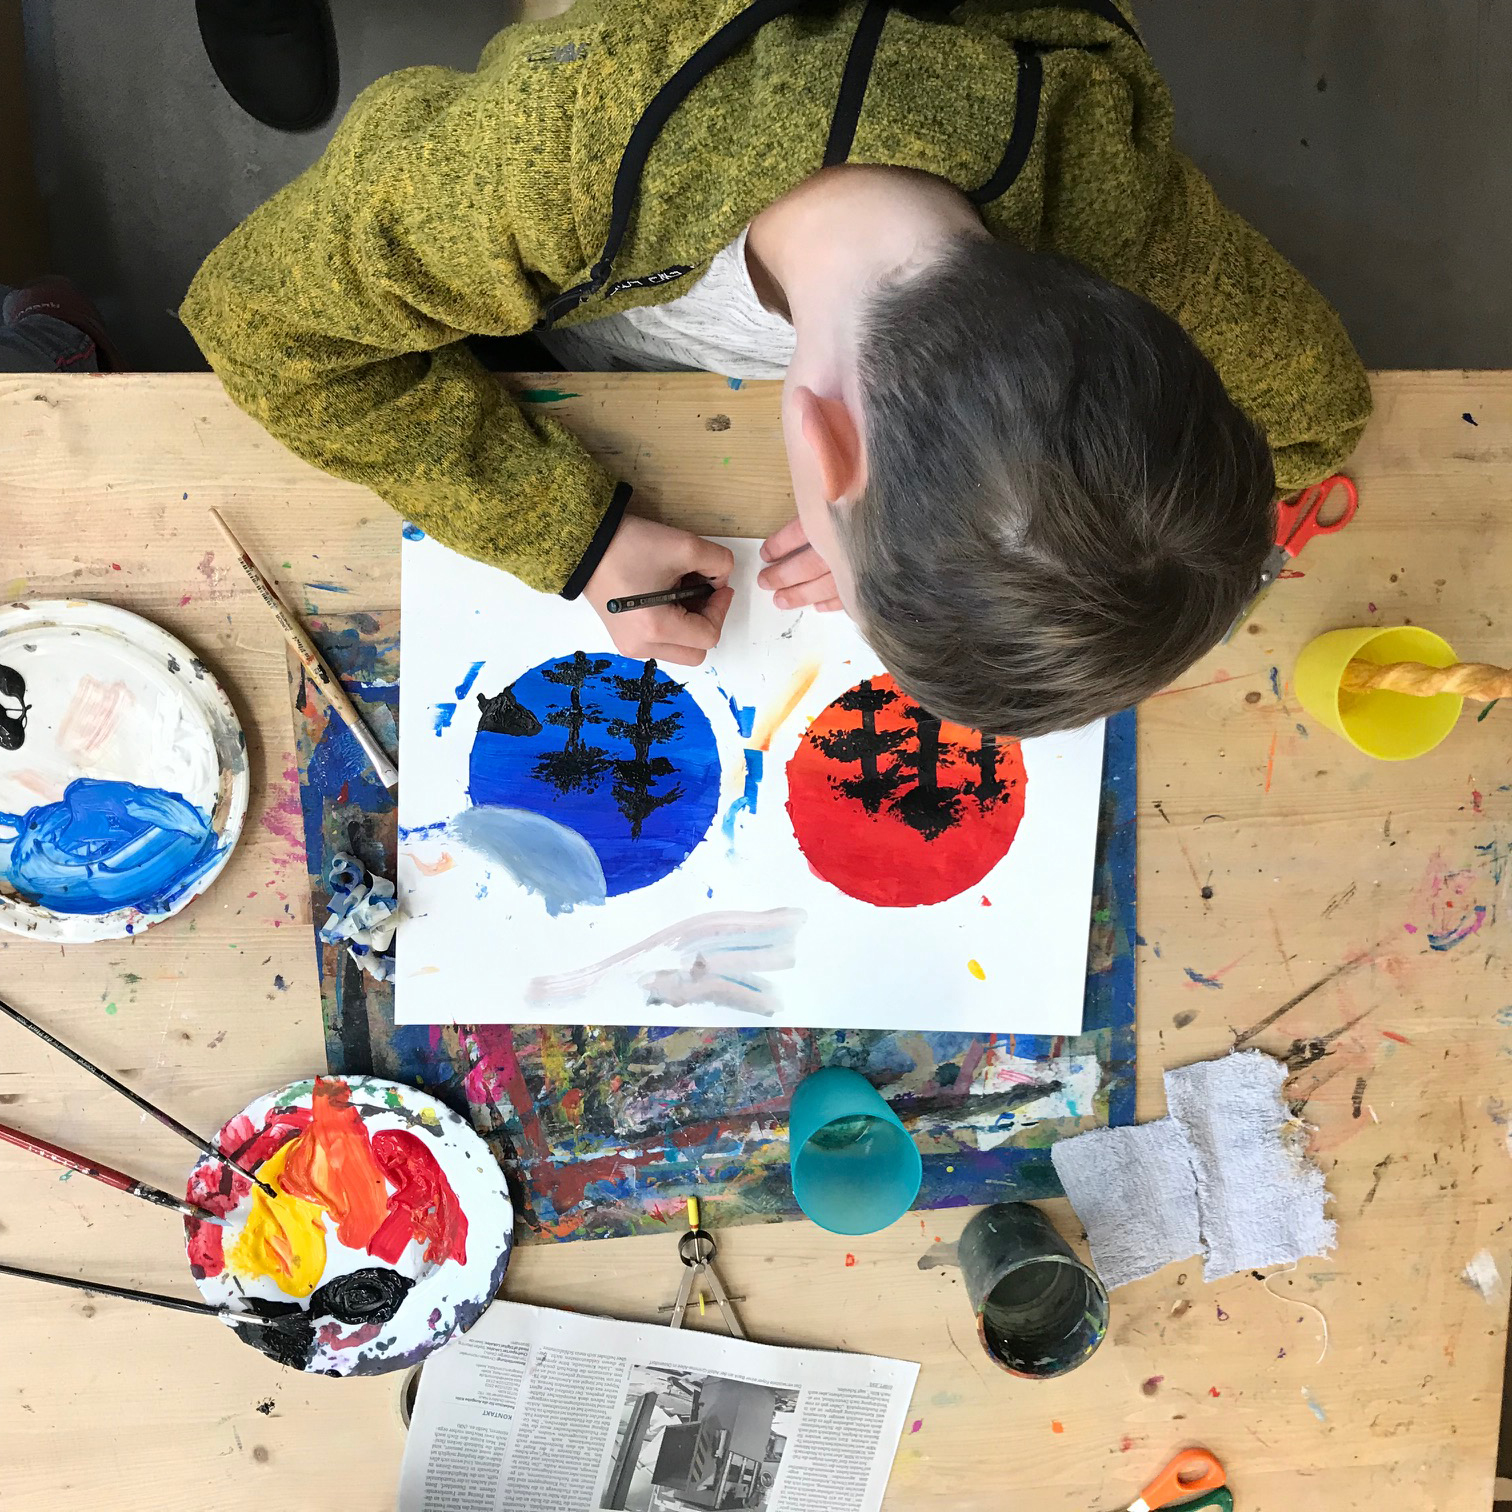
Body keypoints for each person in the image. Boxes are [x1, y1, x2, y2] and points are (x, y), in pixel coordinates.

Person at [182, 0, 1371, 738]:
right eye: (855, 592)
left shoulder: (1141, 233)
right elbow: (255, 320)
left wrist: (966, 530)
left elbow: (1315, 417)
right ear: (821, 445)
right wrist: (570, 532)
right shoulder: (550, 164)